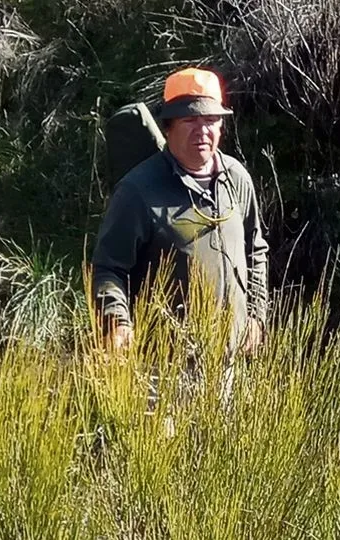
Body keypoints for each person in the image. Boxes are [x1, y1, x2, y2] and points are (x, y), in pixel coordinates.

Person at [92, 67, 269, 369]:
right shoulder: (138, 191)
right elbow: (109, 269)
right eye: (190, 120)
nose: (202, 130)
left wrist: (256, 316)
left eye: (211, 120)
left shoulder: (237, 179)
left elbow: (256, 251)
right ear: (169, 127)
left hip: (230, 365)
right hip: (163, 368)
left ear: (221, 126)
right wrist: (117, 322)